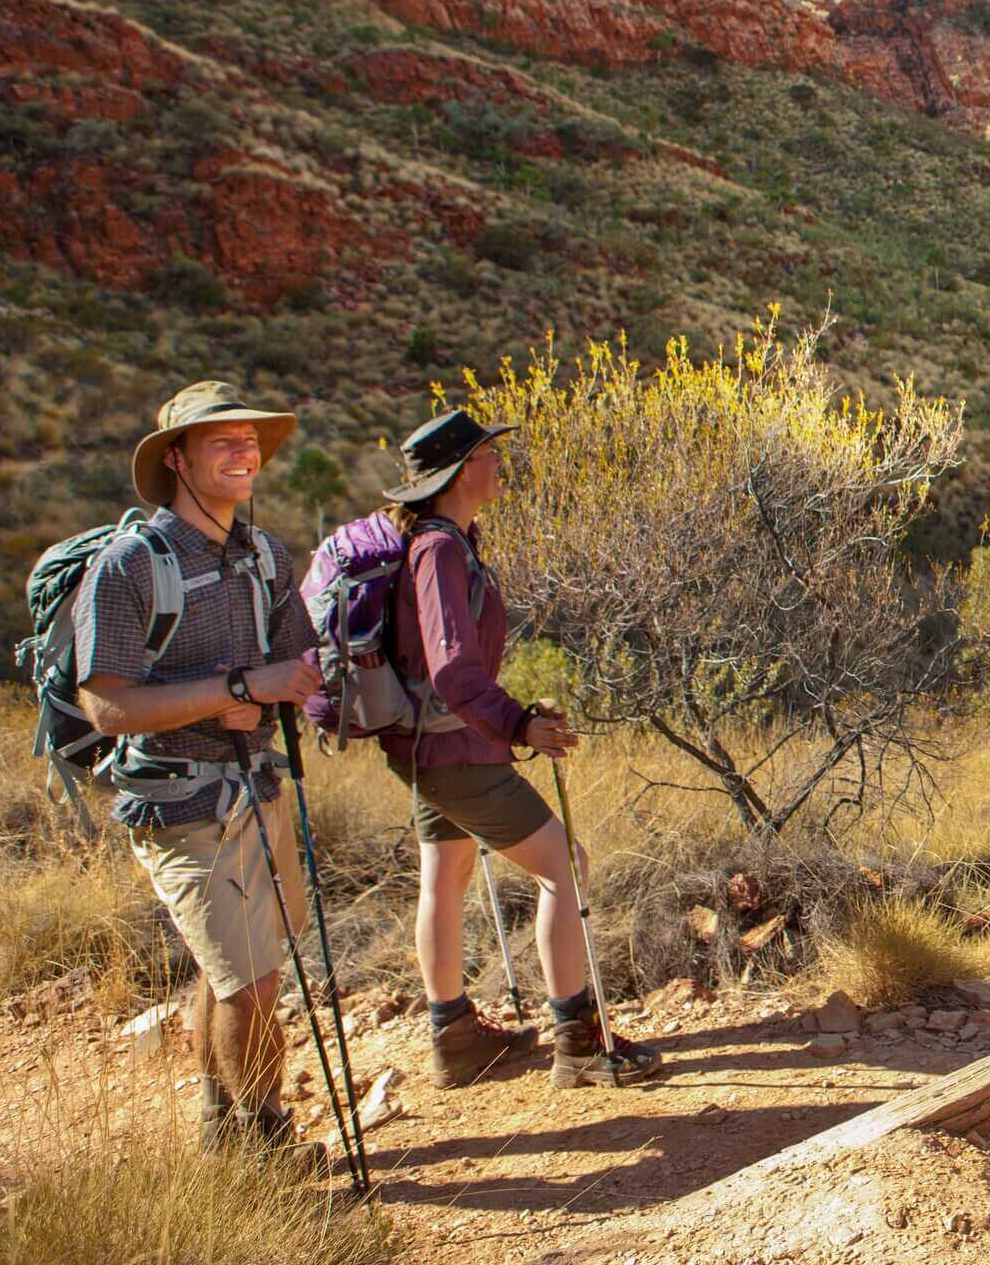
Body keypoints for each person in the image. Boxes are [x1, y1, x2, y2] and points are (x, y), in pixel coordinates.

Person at [75, 381, 328, 1163]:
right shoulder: (127, 568)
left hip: (258, 788)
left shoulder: (264, 554)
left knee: (240, 973)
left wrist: (296, 679)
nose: (244, 448)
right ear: (177, 460)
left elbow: (294, 656)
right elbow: (107, 707)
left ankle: (221, 1128)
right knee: (249, 987)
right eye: (221, 439)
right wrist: (236, 690)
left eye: (249, 437)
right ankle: (266, 1145)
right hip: (179, 805)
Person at [376, 407, 663, 1090]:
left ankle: (456, 1041)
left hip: (427, 745)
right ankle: (580, 1043)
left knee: (444, 875)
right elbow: (452, 669)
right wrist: (517, 725)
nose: (498, 464)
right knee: (564, 866)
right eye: (487, 455)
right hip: (459, 749)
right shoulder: (442, 549)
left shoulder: (441, 542)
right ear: (459, 473)